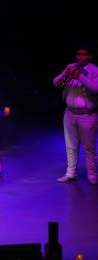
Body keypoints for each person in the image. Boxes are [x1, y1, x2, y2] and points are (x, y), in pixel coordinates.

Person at [53, 43, 98, 185]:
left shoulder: (95, 70)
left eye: (83, 54)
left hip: (87, 115)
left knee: (89, 147)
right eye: (78, 54)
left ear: (90, 56)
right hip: (70, 113)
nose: (80, 57)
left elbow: (95, 89)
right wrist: (65, 74)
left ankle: (92, 174)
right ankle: (71, 173)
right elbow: (57, 83)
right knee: (71, 145)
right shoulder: (71, 68)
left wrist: (80, 77)